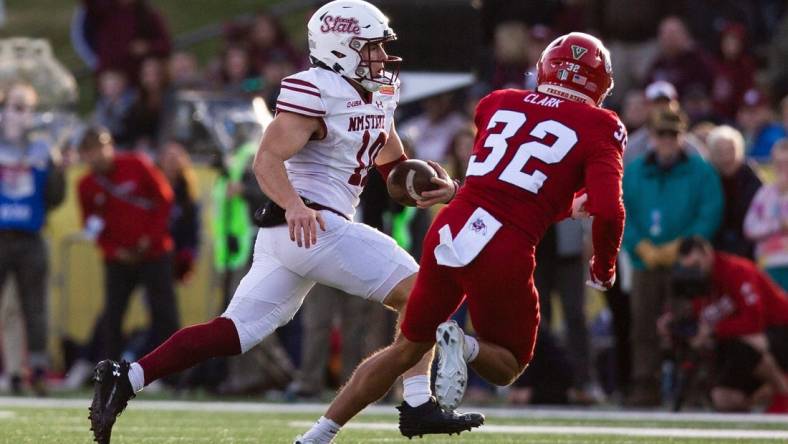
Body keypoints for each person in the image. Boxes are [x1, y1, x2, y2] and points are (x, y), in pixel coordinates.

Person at [88, 2, 475, 443]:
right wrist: (293, 204)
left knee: (235, 333)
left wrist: (421, 182)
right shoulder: (317, 89)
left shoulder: (379, 92)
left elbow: (392, 165)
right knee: (422, 292)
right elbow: (266, 159)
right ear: (341, 49)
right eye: (372, 49)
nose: (382, 59)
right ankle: (419, 403)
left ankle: (127, 377)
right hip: (311, 224)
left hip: (298, 236)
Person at [297, 31, 626, 443]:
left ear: (545, 68)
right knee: (508, 365)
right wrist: (603, 266)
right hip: (505, 245)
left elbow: (502, 183)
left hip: (452, 227)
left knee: (405, 348)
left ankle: (317, 435)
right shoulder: (601, 124)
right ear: (598, 83)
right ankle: (462, 346)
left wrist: (554, 204)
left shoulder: (498, 102)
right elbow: (609, 209)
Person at [622, 107, 723, 406]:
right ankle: (644, 387)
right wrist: (639, 245)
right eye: (661, 134)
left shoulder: (700, 171)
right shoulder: (636, 170)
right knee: (642, 326)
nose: (667, 140)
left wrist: (684, 246)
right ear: (652, 137)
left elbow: (710, 211)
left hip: (686, 263)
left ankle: (691, 387)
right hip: (645, 260)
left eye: (673, 135)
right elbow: (620, 211)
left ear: (682, 137)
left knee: (687, 323)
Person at [76, 127, 179, 364]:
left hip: (153, 253)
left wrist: (149, 239)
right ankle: (109, 370)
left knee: (164, 312)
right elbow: (91, 226)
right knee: (113, 315)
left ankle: (173, 372)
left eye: (101, 146)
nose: (99, 154)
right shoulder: (86, 185)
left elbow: (164, 200)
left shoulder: (137, 164)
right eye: (91, 150)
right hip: (119, 260)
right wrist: (114, 251)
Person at [671, 236, 788, 413]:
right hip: (738, 348)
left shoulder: (737, 270)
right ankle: (763, 395)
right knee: (723, 398)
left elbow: (753, 321)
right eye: (688, 268)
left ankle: (783, 392)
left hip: (779, 330)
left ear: (707, 254)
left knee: (751, 340)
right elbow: (703, 324)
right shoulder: (697, 285)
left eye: (696, 265)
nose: (693, 272)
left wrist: (713, 330)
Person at [0, 82, 66, 395]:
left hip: (29, 236)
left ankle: (37, 370)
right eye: (16, 106)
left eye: (28, 108)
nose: (22, 115)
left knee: (35, 307)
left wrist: (57, 169)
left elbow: (54, 197)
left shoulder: (42, 149)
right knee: (9, 309)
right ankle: (12, 372)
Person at [744, 139, 788, 291]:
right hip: (769, 264)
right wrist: (777, 225)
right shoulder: (765, 193)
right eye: (778, 163)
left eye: (787, 163)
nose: (783, 169)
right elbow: (750, 227)